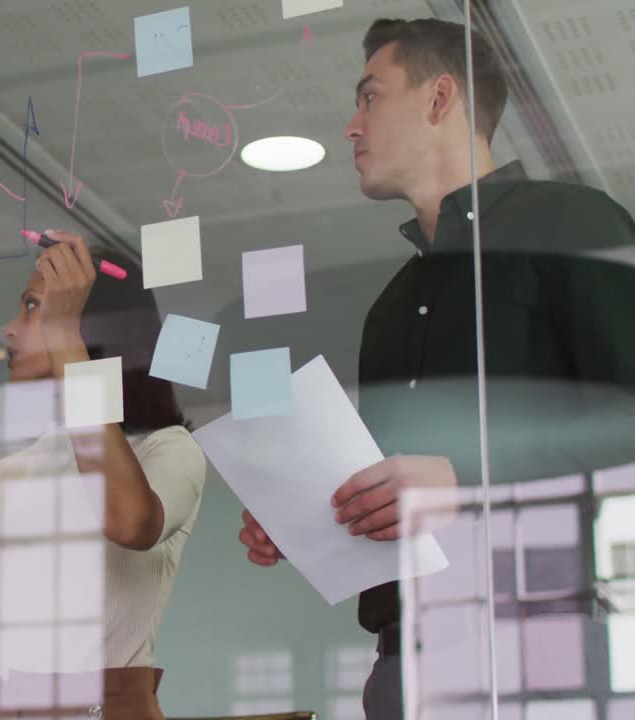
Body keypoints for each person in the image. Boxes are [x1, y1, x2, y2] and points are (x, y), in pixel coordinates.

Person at [237, 18, 635, 719]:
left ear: (440, 98)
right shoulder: (391, 308)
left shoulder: (573, 224)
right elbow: (403, 500)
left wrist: (468, 477)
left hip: (544, 648)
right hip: (400, 665)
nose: (351, 126)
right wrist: (310, 518)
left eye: (370, 97)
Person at [0, 233, 206, 720]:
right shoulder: (9, 472)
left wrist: (63, 336)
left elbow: (129, 522)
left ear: (89, 326)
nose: (10, 329)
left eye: (32, 307)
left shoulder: (166, 450)